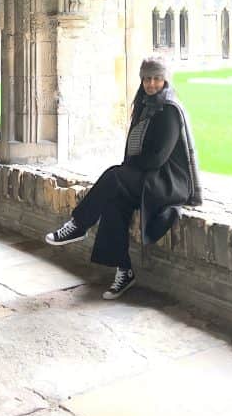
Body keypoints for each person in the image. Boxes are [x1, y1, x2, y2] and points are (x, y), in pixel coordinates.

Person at [45, 55, 203, 299]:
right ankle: (124, 270)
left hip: (168, 182)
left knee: (114, 177)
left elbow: (157, 159)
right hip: (150, 177)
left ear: (165, 80)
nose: (151, 84)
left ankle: (78, 224)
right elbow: (140, 155)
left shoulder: (169, 110)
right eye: (147, 79)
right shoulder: (144, 105)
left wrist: (128, 170)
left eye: (157, 79)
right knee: (113, 200)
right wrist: (129, 170)